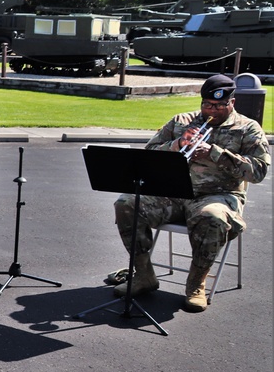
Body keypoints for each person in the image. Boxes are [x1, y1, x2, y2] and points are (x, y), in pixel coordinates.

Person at [113, 74, 269, 312]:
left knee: (212, 217)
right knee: (126, 203)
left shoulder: (248, 128)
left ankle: (196, 284)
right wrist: (176, 145)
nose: (212, 111)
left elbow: (258, 172)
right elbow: (148, 154)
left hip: (219, 195)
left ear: (232, 102)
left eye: (219, 106)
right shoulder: (181, 121)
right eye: (207, 104)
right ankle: (143, 275)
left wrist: (214, 152)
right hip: (174, 193)